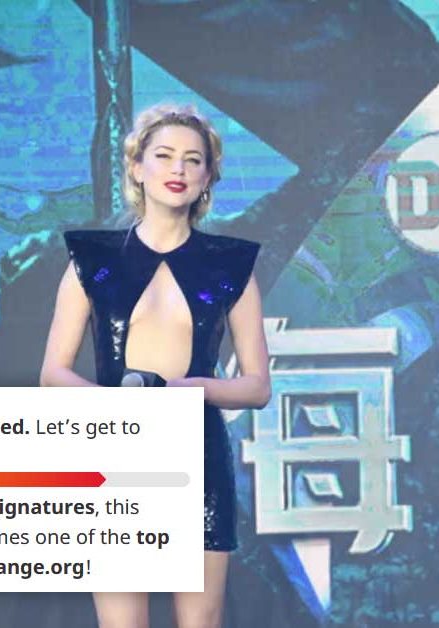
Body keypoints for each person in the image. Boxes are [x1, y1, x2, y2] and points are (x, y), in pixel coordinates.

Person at [40, 103, 271, 628]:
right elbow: (52, 374)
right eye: (164, 156)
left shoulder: (232, 265)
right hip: (116, 455)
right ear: (136, 167)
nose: (178, 170)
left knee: (201, 621)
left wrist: (188, 390)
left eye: (193, 160)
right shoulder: (91, 261)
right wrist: (120, 407)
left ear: (208, 177)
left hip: (200, 455)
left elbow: (257, 386)